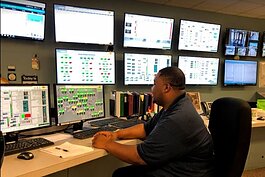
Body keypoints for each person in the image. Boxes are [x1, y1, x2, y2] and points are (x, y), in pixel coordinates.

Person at [92, 66, 215, 177]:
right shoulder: (177, 104)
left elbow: (138, 157)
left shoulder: (177, 118)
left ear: (166, 88)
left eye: (154, 84)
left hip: (188, 172)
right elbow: (145, 128)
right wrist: (116, 134)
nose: (151, 89)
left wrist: (106, 144)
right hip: (180, 165)